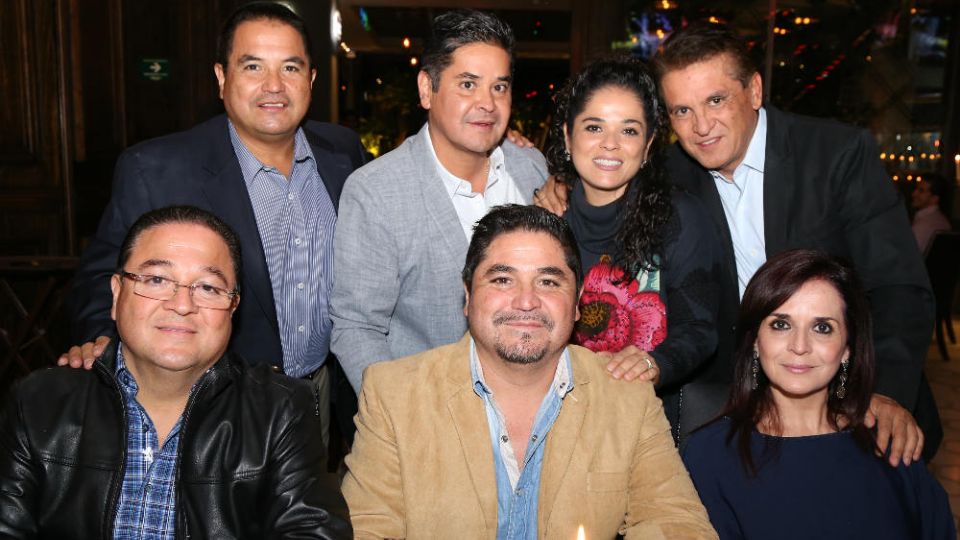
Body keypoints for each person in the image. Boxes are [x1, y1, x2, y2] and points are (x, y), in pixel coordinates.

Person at [535, 23, 938, 463]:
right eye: (682, 110)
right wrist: (562, 183)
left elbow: (898, 285)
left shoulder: (834, 155)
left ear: (754, 91)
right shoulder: (670, 173)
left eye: (716, 100)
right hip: (730, 405)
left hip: (843, 392)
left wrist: (887, 392)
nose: (701, 126)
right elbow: (607, 173)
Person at [63, 2, 366, 447]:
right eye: (252, 66)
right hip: (208, 402)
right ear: (222, 77)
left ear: (311, 79)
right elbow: (102, 275)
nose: (274, 86)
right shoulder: (158, 169)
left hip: (319, 395)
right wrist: (101, 339)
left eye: (290, 67)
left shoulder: (342, 154)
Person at [341, 205, 717, 539]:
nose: (526, 301)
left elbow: (677, 523)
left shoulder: (624, 395)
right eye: (502, 280)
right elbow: (367, 528)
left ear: (577, 302)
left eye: (548, 282)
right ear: (468, 295)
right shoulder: (394, 394)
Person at [0, 206, 351, 538]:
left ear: (232, 307)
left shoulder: (279, 411)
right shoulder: (39, 404)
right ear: (117, 293)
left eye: (208, 287)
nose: (182, 305)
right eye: (156, 279)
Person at [330, 10, 548, 393]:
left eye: (499, 87)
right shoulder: (376, 191)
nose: (487, 103)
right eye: (468, 84)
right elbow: (357, 327)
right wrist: (399, 414)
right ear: (426, 89)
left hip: (533, 403)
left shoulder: (530, 169)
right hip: (427, 407)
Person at [682, 249, 954, 540]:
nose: (800, 346)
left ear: (847, 348)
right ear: (756, 342)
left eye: (822, 328)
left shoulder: (890, 443)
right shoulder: (709, 455)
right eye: (781, 324)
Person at [543, 56, 721, 442]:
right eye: (594, 127)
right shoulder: (544, 222)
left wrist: (654, 364)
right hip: (554, 428)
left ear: (648, 145)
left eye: (629, 130)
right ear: (568, 136)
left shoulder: (679, 217)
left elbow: (700, 329)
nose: (610, 144)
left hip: (648, 430)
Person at [911, 173, 952, 254]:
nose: (914, 194)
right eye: (916, 189)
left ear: (934, 198)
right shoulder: (944, 221)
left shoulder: (923, 225)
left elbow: (908, 256)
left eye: (921, 191)